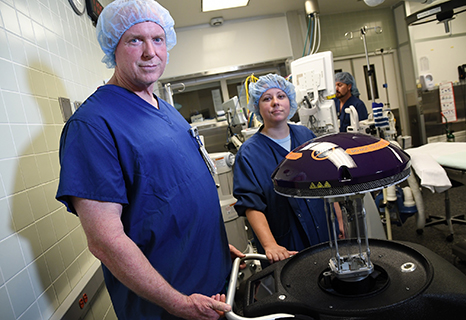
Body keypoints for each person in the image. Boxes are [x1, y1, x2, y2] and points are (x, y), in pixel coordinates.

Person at [55, 1, 244, 319]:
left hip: (216, 284)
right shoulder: (92, 125)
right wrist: (177, 302)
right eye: (134, 40)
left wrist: (210, 247)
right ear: (113, 46)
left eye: (157, 39)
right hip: (168, 307)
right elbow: (105, 241)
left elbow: (172, 195)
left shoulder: (167, 110)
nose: (150, 52)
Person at [233, 74, 339, 265]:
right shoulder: (249, 153)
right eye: (267, 98)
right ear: (257, 107)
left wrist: (338, 220)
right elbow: (251, 205)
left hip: (322, 229)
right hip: (285, 241)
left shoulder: (306, 136)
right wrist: (270, 245)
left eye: (281, 96)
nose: (275, 102)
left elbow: (327, 182)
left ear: (290, 101)